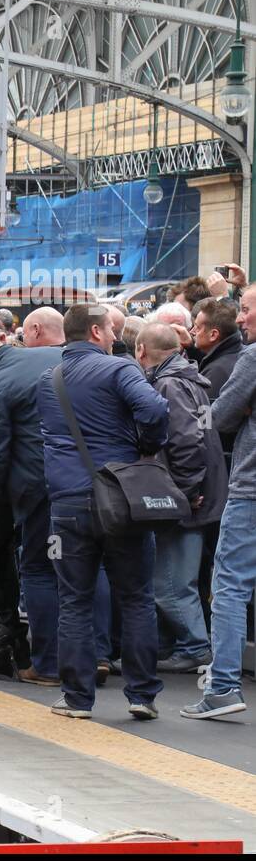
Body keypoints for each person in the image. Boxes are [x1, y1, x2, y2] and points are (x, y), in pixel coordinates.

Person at [36, 304, 169, 720]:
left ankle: (76, 698)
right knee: (136, 597)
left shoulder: (47, 380)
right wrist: (145, 446)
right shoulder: (120, 370)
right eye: (111, 330)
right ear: (96, 332)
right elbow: (155, 410)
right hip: (121, 498)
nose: (116, 337)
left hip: (68, 502)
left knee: (74, 599)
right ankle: (142, 695)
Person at [0, 329, 63, 684]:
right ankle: (97, 655)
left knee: (38, 570)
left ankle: (47, 664)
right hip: (88, 480)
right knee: (87, 570)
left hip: (40, 488)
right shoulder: (54, 357)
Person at [135, 322, 226, 673]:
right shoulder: (189, 378)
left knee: (171, 583)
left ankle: (194, 646)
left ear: (141, 351)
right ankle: (180, 644)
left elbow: (186, 443)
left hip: (188, 499)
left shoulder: (169, 384)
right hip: (202, 491)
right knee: (180, 578)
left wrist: (183, 494)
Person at [183, 288, 256, 719]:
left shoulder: (252, 358)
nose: (240, 318)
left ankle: (223, 686)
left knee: (229, 585)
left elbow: (219, 417)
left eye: (246, 310)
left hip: (250, 487)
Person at [193, 297, 243, 401]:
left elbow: (205, 414)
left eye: (197, 327)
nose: (192, 331)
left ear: (213, 335)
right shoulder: (237, 354)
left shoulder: (217, 371)